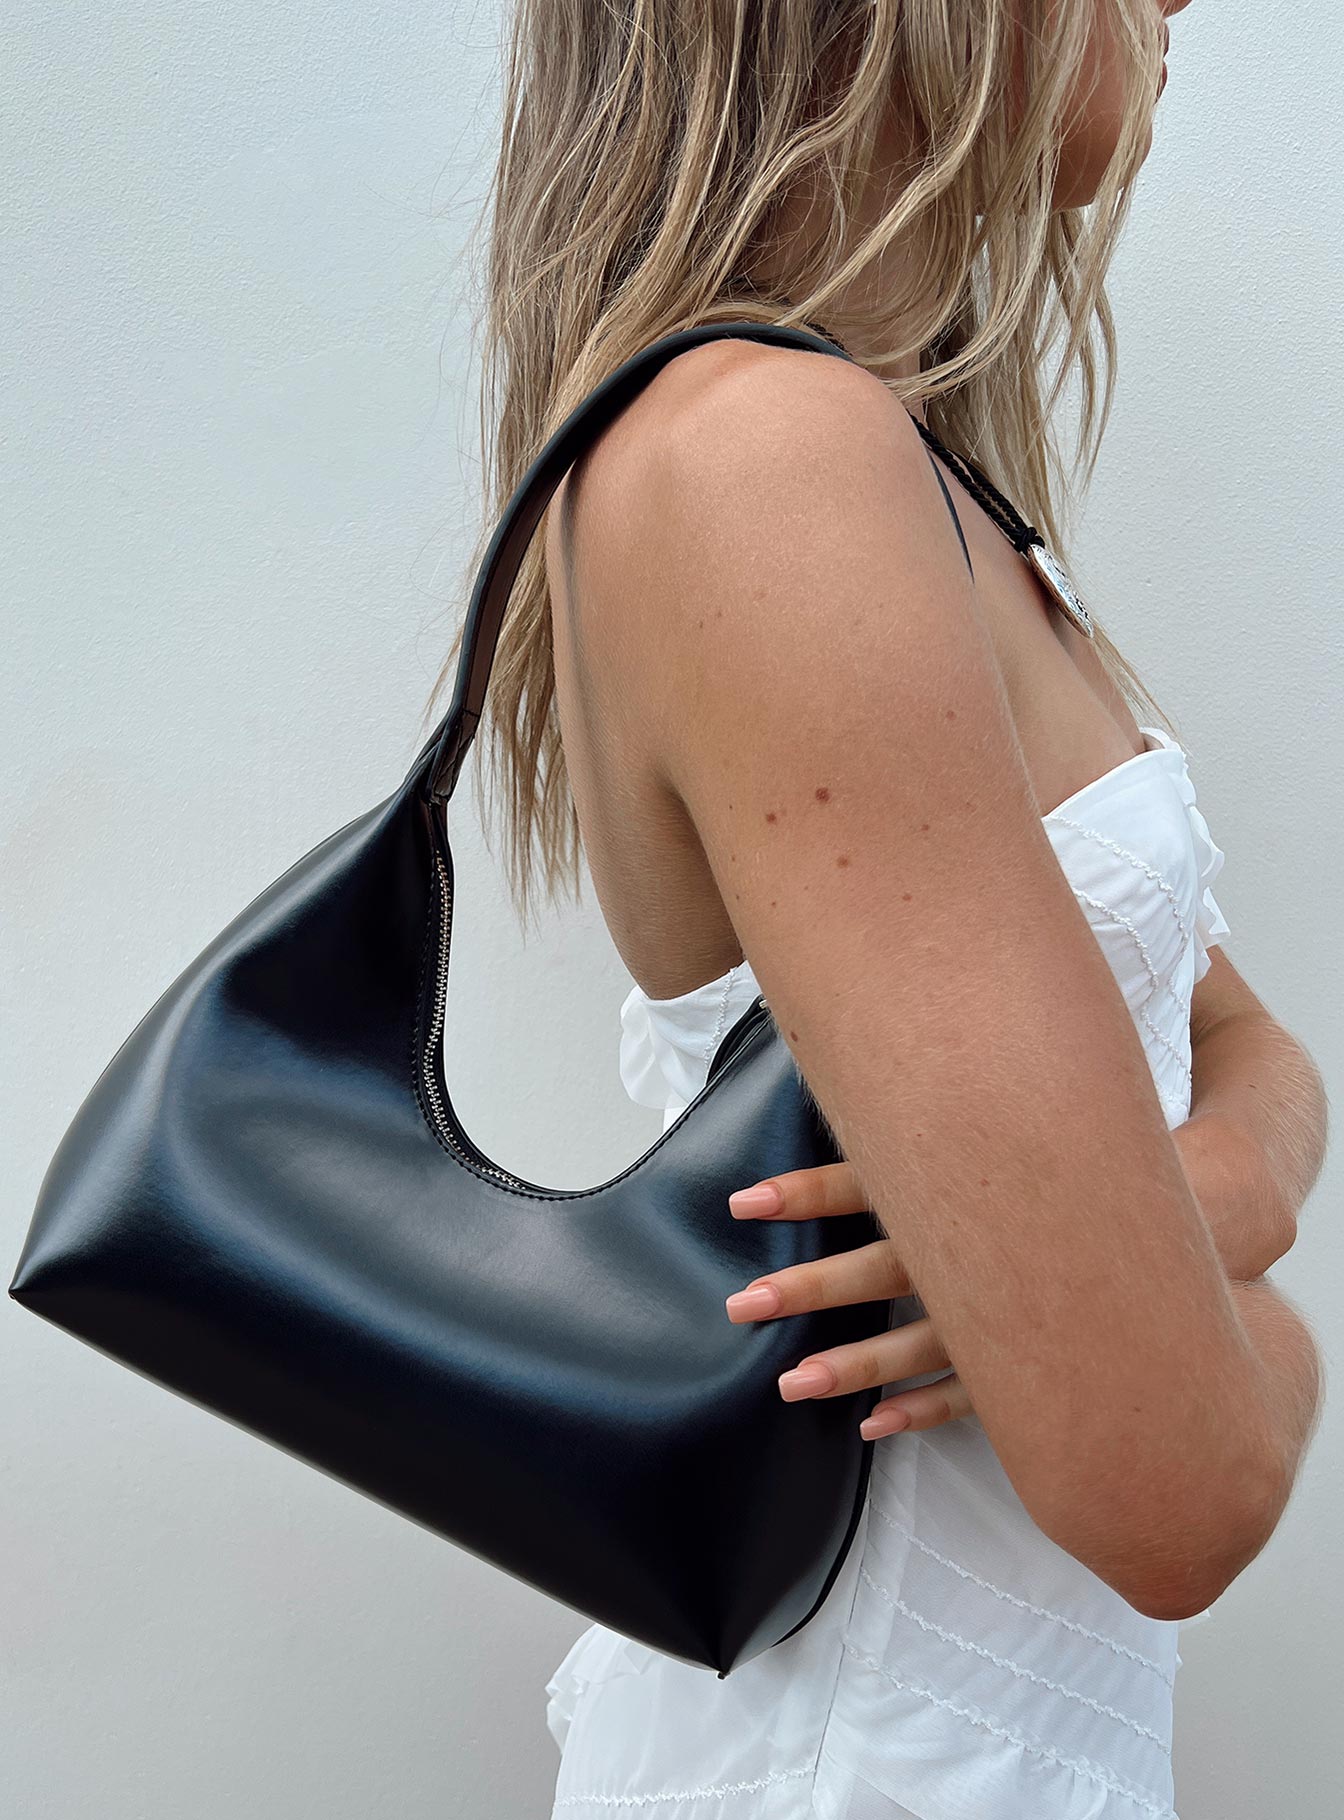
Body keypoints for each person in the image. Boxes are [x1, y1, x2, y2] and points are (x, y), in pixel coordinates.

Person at [422, 3, 1327, 1815]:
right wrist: (1260, 1334)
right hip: (870, 1753)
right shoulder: (772, 461)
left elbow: (1253, 1049)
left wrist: (1188, 1215)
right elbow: (1181, 1483)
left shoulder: (920, 477)